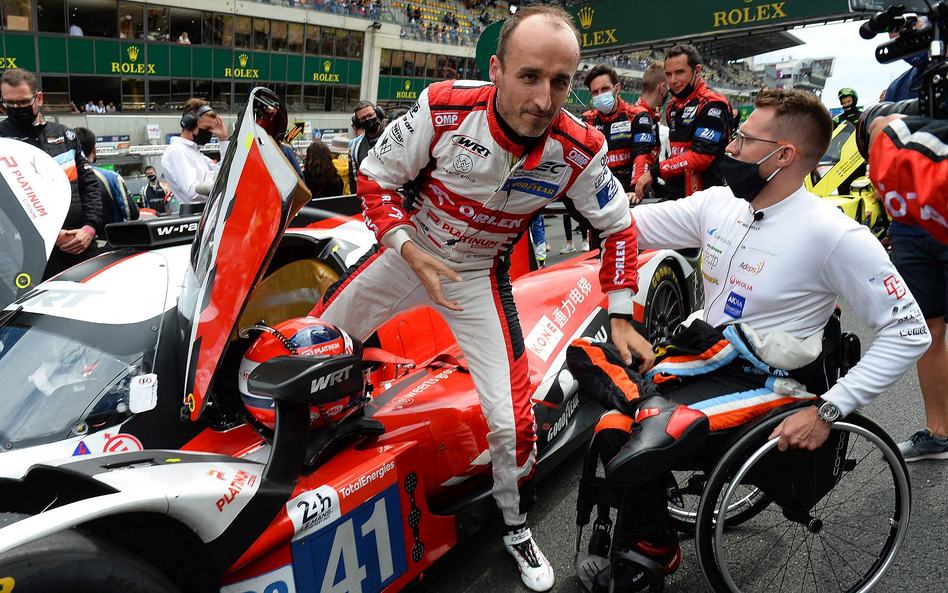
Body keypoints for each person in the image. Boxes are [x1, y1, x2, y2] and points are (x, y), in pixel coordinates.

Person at [309, 6, 649, 591]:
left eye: (561, 82)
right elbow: (375, 176)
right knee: (313, 351)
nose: (545, 99)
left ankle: (514, 525)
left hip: (476, 277)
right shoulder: (443, 106)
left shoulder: (578, 147)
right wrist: (410, 250)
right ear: (496, 69)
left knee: (512, 423)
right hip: (404, 254)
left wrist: (619, 315)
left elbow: (620, 227)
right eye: (530, 76)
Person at [576, 88, 931, 588]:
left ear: (783, 155)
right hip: (706, 355)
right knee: (612, 422)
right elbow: (625, 224)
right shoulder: (719, 203)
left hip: (774, 380)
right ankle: (654, 541)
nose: (730, 148)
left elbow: (910, 332)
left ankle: (645, 544)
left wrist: (830, 409)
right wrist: (560, 185)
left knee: (642, 431)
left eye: (743, 138)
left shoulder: (835, 235)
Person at [873, 45, 948, 462]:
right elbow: (878, 143)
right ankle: (939, 433)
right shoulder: (904, 81)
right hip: (911, 223)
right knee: (928, 328)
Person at [0, 69, 102, 278]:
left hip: (81, 241)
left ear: (38, 98)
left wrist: (89, 228)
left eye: (21, 102)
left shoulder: (65, 135)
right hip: (30, 251)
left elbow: (90, 186)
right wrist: (53, 235)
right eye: (8, 103)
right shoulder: (2, 140)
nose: (15, 108)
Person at [634, 44, 731, 200]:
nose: (673, 80)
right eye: (668, 74)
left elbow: (701, 158)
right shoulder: (672, 106)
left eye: (680, 72)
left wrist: (656, 171)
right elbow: (677, 154)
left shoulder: (712, 103)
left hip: (707, 198)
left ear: (697, 71)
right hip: (677, 196)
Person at [582, 63, 664, 203]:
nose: (600, 95)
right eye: (595, 92)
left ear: (617, 88)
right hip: (601, 193)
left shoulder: (638, 116)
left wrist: (635, 189)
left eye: (605, 89)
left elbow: (642, 155)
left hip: (632, 191)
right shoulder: (587, 120)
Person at [160, 98, 229, 204]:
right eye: (207, 128)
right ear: (189, 124)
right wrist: (219, 187)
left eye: (211, 129)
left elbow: (224, 172)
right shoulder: (177, 151)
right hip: (195, 216)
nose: (210, 133)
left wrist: (223, 139)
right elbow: (192, 191)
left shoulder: (196, 153)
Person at [74, 126, 138, 226]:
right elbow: (132, 214)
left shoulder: (62, 179)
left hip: (75, 239)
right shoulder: (112, 178)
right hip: (110, 238)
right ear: (94, 149)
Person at [348, 100, 385, 191]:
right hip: (369, 195)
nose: (368, 119)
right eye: (363, 118)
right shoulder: (354, 145)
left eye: (370, 115)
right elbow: (354, 178)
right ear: (358, 123)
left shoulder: (394, 136)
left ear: (377, 113)